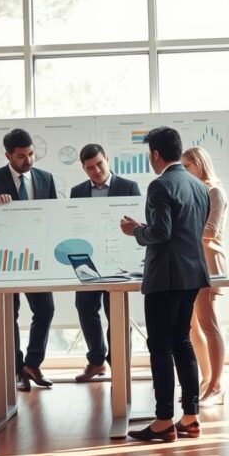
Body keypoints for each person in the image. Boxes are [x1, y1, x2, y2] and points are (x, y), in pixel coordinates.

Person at [121, 127, 210, 443]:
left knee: (159, 345)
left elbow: (161, 232)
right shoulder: (199, 186)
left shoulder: (159, 186)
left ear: (155, 154)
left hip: (165, 277)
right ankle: (190, 417)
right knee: (182, 341)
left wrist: (136, 231)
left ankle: (162, 420)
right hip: (193, 275)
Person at [0, 128, 59, 392]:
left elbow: (53, 215)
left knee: (46, 309)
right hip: (5, 258)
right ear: (8, 155)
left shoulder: (46, 179)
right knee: (9, 314)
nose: (28, 160)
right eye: (22, 156)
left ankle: (32, 365)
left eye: (31, 154)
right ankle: (16, 369)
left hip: (37, 256)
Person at [70, 144, 141, 382]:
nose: (96, 170)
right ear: (83, 169)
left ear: (107, 159)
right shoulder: (77, 191)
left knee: (117, 312)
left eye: (99, 164)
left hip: (119, 259)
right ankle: (97, 360)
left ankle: (120, 364)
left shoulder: (128, 187)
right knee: (85, 307)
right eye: (90, 167)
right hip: (88, 260)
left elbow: (136, 224)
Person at [180, 147, 228, 407]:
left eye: (187, 166)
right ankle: (206, 381)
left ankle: (216, 385)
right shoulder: (194, 191)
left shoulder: (214, 191)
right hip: (191, 263)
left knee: (209, 325)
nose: (183, 171)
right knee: (192, 327)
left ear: (199, 164)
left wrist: (179, 230)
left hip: (209, 263)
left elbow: (211, 230)